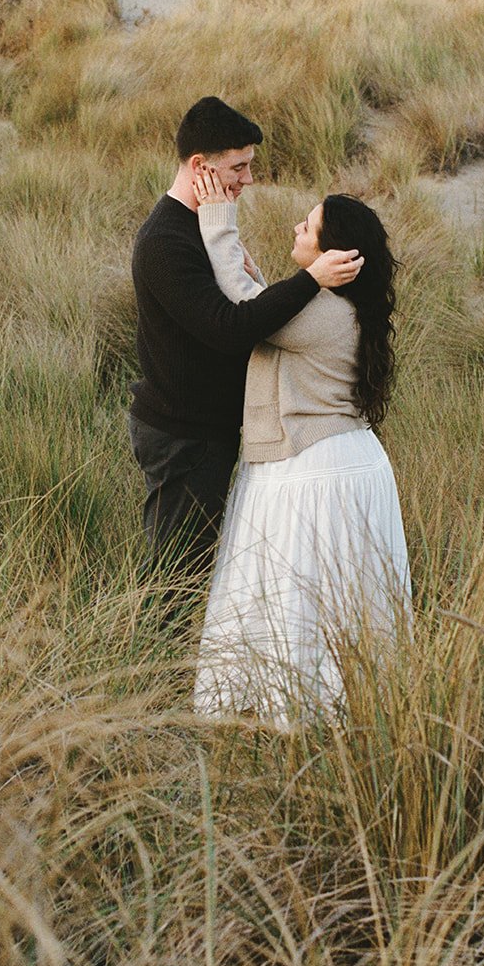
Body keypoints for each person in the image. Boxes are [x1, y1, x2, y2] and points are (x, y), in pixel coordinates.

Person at [191, 171, 410, 722]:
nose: (297, 226)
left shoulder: (321, 312)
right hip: (348, 462)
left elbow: (247, 309)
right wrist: (277, 275)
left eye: (307, 225)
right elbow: (274, 304)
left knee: (297, 593)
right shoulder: (339, 308)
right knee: (335, 600)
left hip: (314, 468)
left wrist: (219, 223)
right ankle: (342, 707)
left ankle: (299, 713)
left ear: (329, 255)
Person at [129, 97, 364, 610]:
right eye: (238, 167)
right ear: (200, 167)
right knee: (174, 582)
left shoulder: (203, 228)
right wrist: (310, 279)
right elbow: (230, 328)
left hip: (206, 433)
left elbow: (245, 304)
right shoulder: (166, 242)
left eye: (249, 166)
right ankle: (147, 674)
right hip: (181, 436)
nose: (247, 180)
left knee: (194, 572)